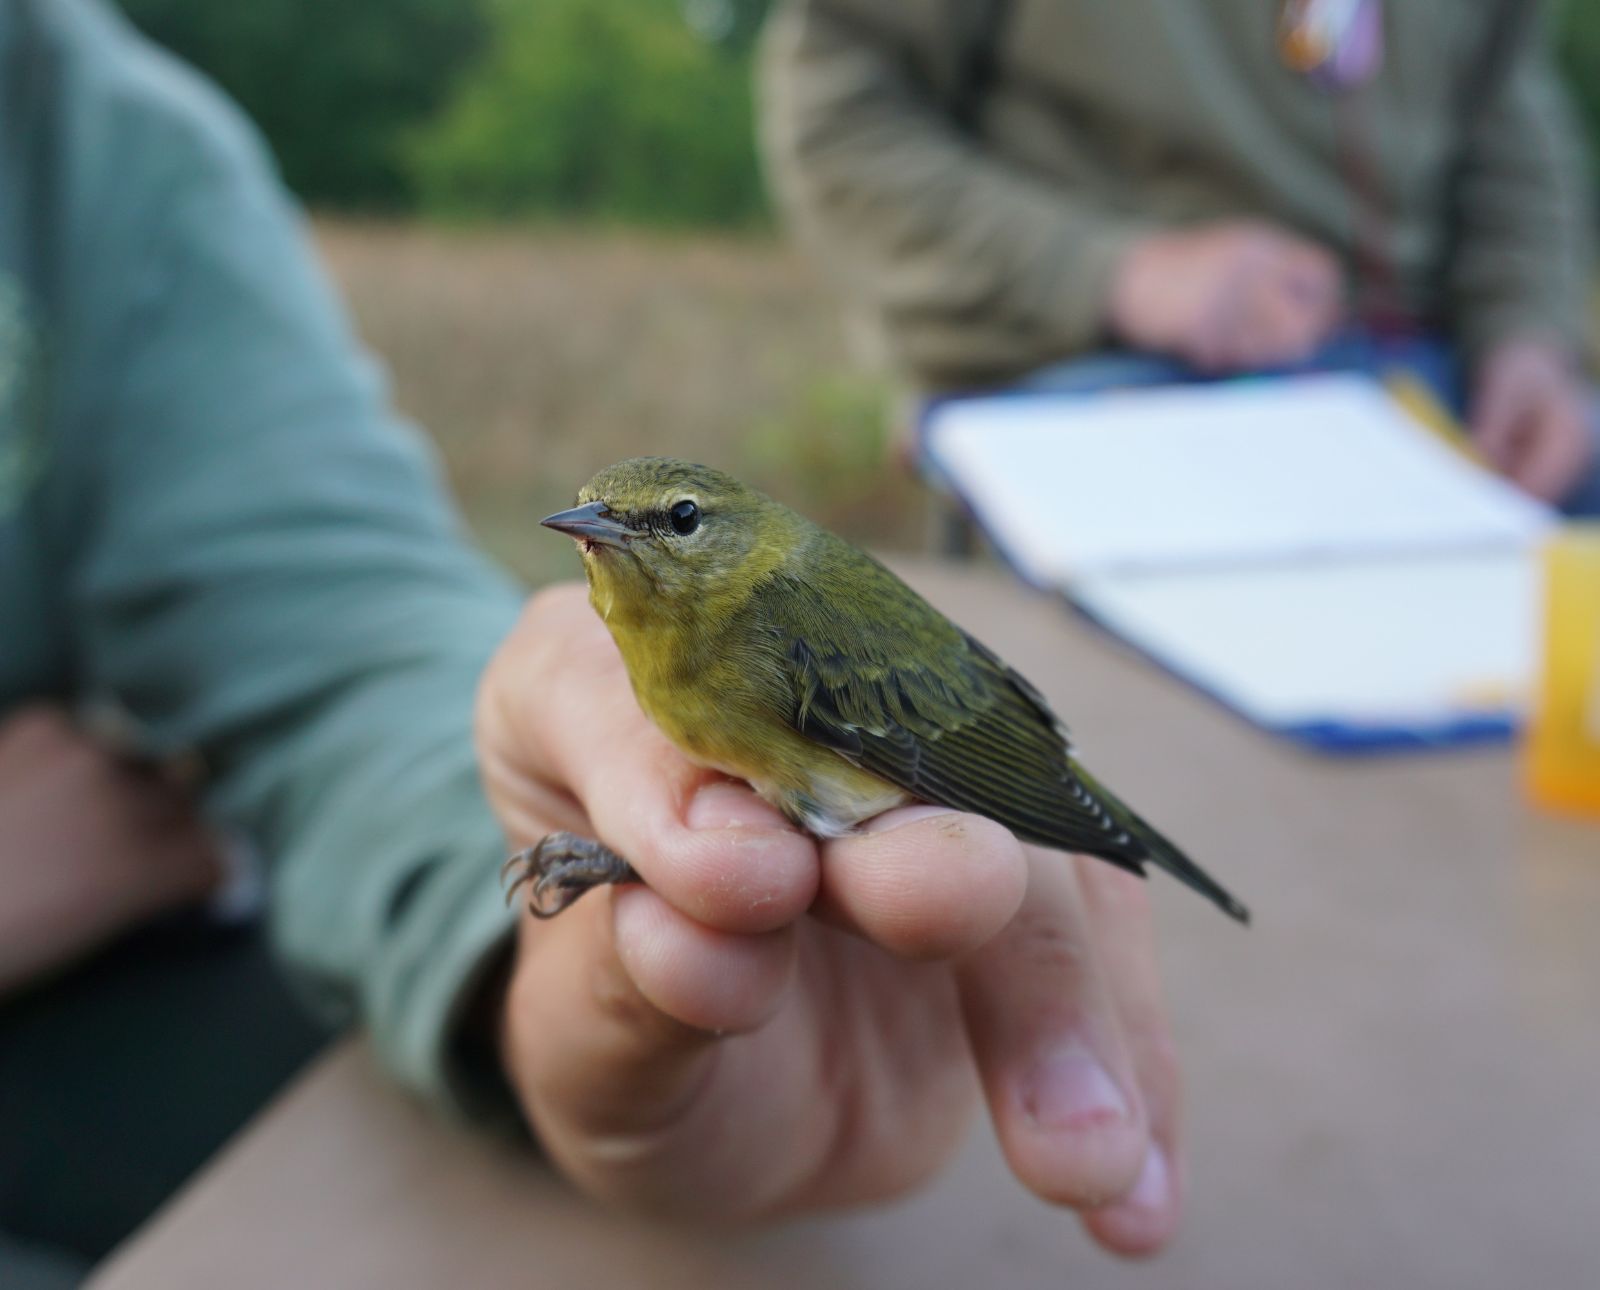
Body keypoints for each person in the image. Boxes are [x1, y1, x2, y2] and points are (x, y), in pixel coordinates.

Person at [0, 0, 1192, 1281]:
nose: (603, 534)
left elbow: (328, 644)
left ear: (728, 537)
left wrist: (502, 934)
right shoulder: (684, 640)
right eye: (602, 518)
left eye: (670, 522)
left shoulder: (82, 133)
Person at [758, 0, 1600, 515]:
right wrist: (1116, 273)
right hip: (1111, 383)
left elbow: (1508, 118)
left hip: (1442, 405)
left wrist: (1529, 340)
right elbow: (837, 118)